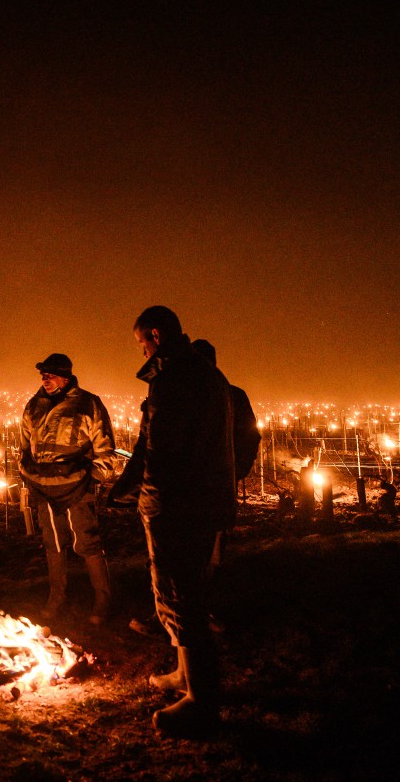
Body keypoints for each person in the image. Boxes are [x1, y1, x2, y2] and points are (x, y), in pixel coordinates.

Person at [107, 306, 235, 738]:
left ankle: (201, 701)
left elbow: (160, 449)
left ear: (156, 335)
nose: (140, 350)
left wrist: (146, 497)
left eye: (142, 342)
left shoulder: (175, 377)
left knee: (179, 595)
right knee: (189, 589)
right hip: (202, 500)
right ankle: (186, 676)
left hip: (178, 505)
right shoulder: (205, 374)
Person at [19, 353, 116, 625]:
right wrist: (29, 476)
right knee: (53, 546)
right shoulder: (33, 406)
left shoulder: (88, 404)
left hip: (77, 489)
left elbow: (104, 447)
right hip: (44, 490)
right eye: (43, 374)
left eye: (50, 374)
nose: (44, 379)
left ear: (65, 376)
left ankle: (102, 600)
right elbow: (26, 447)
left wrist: (91, 479)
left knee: (88, 544)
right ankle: (56, 598)